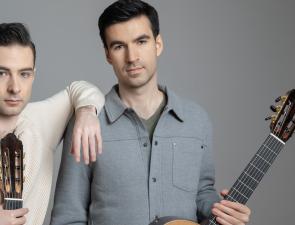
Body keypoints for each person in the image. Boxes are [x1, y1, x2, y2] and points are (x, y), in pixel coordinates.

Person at [50, 1, 251, 225]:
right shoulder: (87, 124)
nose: (132, 57)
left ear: (158, 44)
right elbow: (68, 217)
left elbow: (202, 193)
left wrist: (225, 212)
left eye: (141, 41)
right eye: (118, 46)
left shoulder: (196, 120)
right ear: (107, 54)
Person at [0, 23, 105, 225]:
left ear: (34, 75)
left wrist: (86, 112)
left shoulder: (40, 120)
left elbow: (80, 89)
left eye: (24, 74)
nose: (15, 87)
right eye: (2, 73)